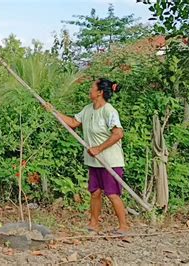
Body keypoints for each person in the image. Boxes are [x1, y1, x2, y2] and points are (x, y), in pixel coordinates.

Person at [52, 78, 129, 234]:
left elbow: (118, 134)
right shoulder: (88, 109)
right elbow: (73, 122)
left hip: (110, 161)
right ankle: (93, 224)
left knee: (112, 194)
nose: (90, 90)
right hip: (94, 161)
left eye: (92, 87)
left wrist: (99, 148)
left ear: (100, 92)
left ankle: (124, 226)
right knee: (95, 193)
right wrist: (53, 111)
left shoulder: (109, 111)